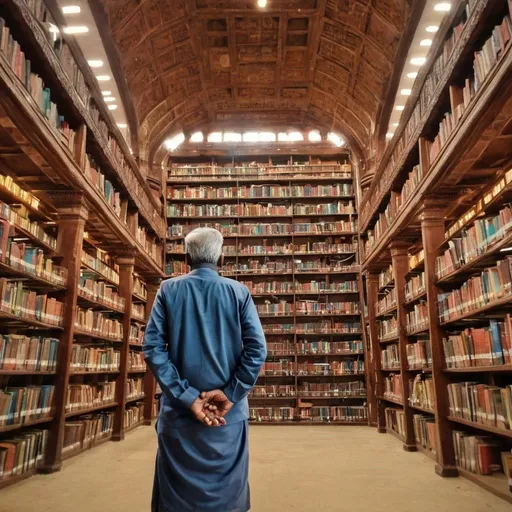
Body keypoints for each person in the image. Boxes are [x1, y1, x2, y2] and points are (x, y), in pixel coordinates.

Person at [143, 227, 267, 512]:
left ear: (186, 257)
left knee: (177, 497)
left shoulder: (169, 290)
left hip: (180, 412)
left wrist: (187, 397)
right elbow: (257, 350)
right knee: (228, 496)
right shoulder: (239, 292)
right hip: (228, 415)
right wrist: (231, 393)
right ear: (221, 257)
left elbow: (152, 348)